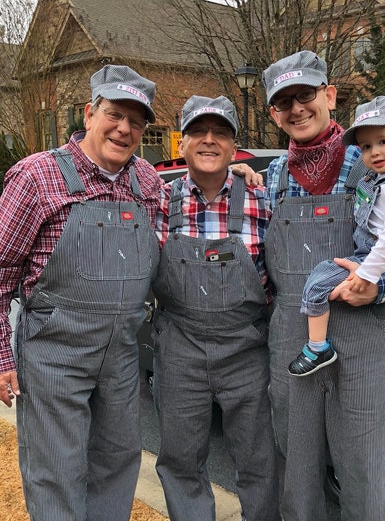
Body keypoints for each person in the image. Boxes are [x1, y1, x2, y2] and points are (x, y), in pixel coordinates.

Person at [0, 65, 162, 521]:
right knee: (56, 471)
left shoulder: (148, 183)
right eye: (115, 114)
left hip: (121, 356)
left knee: (117, 463)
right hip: (55, 354)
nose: (124, 129)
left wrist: (236, 173)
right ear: (90, 112)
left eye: (136, 122)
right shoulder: (37, 177)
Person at [260, 51, 385, 521]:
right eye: (284, 102)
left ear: (329, 95)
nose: (297, 108)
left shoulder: (375, 160)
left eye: (305, 95)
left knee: (363, 479)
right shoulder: (273, 178)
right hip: (293, 344)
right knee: (297, 480)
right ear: (273, 114)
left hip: (364, 342)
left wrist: (379, 289)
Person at [151, 95, 280, 521]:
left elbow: (283, 278)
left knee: (260, 462)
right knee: (181, 462)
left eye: (220, 133)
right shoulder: (156, 202)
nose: (209, 141)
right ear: (181, 143)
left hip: (248, 351)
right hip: (179, 350)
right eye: (198, 132)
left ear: (234, 147)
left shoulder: (263, 201)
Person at [289, 94, 385, 376]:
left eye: (383, 142)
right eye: (367, 146)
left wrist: (370, 277)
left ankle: (317, 346)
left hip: (373, 266)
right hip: (365, 258)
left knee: (319, 279)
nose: (374, 152)